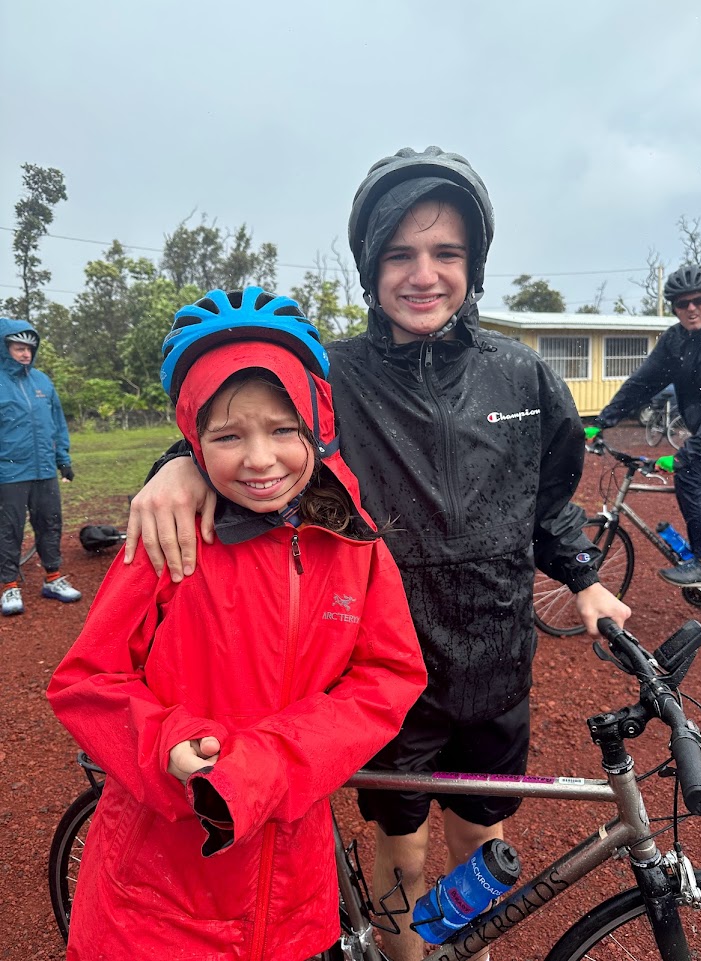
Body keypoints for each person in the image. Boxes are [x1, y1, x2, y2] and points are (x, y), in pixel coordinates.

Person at [124, 147, 630, 960]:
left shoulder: (523, 376)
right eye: (400, 254)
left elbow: (546, 501)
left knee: (480, 832)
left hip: (499, 656)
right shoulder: (332, 379)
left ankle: (472, 947)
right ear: (369, 264)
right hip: (381, 666)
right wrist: (177, 464)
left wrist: (583, 579)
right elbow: (243, 434)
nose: (423, 274)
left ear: (474, 265)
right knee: (405, 844)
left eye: (446, 254)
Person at [47, 287, 426, 961]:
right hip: (152, 903)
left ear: (318, 421)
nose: (259, 458)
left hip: (291, 899)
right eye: (227, 436)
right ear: (192, 439)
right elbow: (86, 679)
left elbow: (387, 674)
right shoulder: (170, 538)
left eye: (283, 430)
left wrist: (270, 762)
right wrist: (166, 740)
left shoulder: (350, 542)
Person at [593, 264, 701, 590]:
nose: (691, 309)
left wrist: (684, 456)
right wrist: (603, 421)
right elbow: (642, 383)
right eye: (682, 303)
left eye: (698, 300)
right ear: (674, 307)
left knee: (691, 473)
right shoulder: (674, 342)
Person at [0, 318, 80, 616]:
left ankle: (53, 578)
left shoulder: (42, 382)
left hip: (44, 469)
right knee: (8, 529)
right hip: (8, 472)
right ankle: (8, 586)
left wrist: (64, 461)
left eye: (29, 349)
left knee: (50, 522)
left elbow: (57, 424)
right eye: (18, 347)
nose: (25, 354)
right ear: (4, 348)